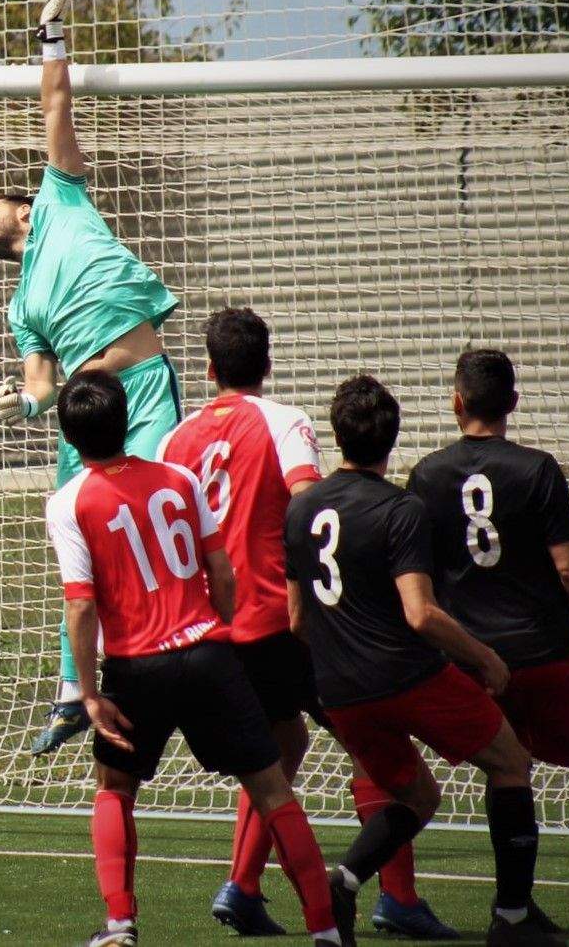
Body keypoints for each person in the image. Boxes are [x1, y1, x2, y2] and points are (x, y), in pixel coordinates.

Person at [160, 309, 453, 938]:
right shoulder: (283, 421)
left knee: (279, 749)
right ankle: (396, 897)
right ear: (268, 364)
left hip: (222, 626)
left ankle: (241, 886)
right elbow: (309, 502)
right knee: (372, 744)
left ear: (210, 368)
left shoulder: (176, 439)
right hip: (287, 621)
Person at [52, 370, 341, 947]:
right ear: (127, 418)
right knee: (272, 790)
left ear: (68, 435)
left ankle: (120, 925)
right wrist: (222, 631)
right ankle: (327, 930)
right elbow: (221, 570)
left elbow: (81, 608)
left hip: (137, 668)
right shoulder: (180, 480)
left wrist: (87, 692)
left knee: (114, 788)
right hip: (209, 653)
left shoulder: (69, 502)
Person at [0, 0, 183, 753]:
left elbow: (56, 100)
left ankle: (180, 649)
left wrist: (52, 33)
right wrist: (25, 404)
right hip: (82, 414)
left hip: (142, 384)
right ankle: (72, 688)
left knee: (167, 510)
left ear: (21, 203)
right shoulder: (19, 302)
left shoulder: (61, 193)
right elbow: (41, 384)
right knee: (75, 532)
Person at [284, 376, 560, 946]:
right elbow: (420, 614)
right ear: (393, 438)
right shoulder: (400, 510)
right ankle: (512, 918)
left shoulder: (302, 508)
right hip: (404, 675)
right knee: (510, 761)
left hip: (340, 690)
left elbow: (297, 621)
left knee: (418, 797)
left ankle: (344, 882)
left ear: (337, 434)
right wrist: (484, 658)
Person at [407, 350, 569, 858]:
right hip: (546, 653)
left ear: (456, 402)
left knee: (507, 770)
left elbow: (422, 581)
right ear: (514, 403)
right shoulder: (537, 469)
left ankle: (514, 908)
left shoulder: (426, 476)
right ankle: (515, 910)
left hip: (477, 664)